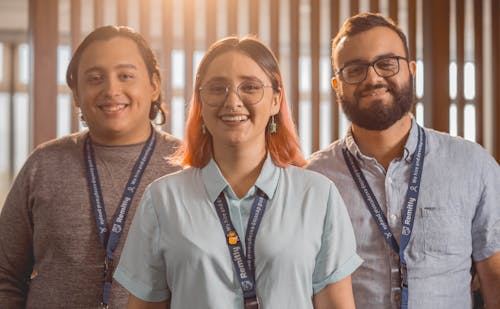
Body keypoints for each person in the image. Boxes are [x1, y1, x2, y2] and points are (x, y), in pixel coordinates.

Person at [113, 36, 363, 309]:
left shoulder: (318, 194)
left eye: (250, 87)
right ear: (200, 102)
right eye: (217, 88)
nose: (232, 101)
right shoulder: (162, 199)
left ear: (275, 101)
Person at [307, 12, 500, 309]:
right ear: (337, 85)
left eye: (386, 64)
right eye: (355, 69)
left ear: (411, 70)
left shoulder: (473, 165)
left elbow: (495, 277)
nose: (373, 78)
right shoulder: (314, 178)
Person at [0, 25, 181, 308]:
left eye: (126, 76)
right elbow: (5, 273)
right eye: (95, 78)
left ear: (154, 84)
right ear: (76, 94)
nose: (111, 90)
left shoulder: (188, 166)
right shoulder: (45, 164)